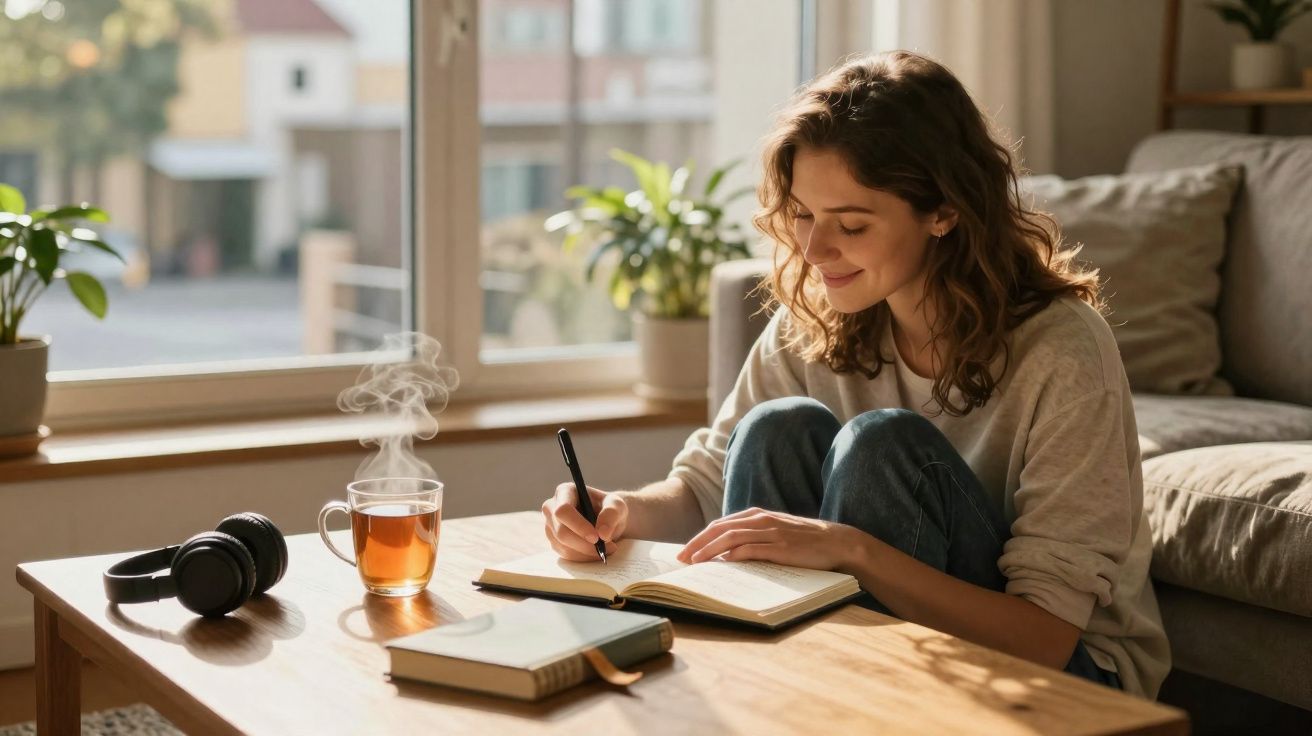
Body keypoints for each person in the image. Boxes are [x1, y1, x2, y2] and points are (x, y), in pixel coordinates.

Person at [539, 51, 1169, 699]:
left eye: (851, 224)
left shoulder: (1063, 349)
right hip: (882, 667)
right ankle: (791, 692)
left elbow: (1044, 637)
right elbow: (707, 487)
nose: (814, 251)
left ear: (943, 211)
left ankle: (826, 698)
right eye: (803, 215)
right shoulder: (818, 319)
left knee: (882, 447)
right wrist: (619, 513)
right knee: (776, 429)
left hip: (1064, 677)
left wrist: (849, 549)